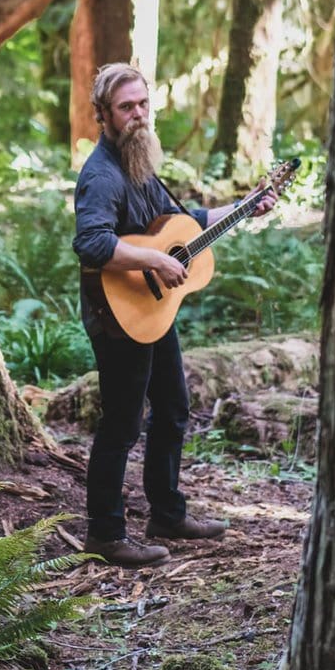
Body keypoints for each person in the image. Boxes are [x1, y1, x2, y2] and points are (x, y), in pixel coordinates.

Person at [71, 62, 277, 566]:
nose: (138, 114)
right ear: (103, 114)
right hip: (119, 315)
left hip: (152, 311)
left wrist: (244, 207)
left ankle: (166, 512)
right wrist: (155, 260)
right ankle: (104, 533)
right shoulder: (101, 175)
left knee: (174, 408)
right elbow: (92, 243)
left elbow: (182, 224)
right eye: (126, 107)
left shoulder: (139, 162)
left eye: (143, 104)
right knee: (122, 424)